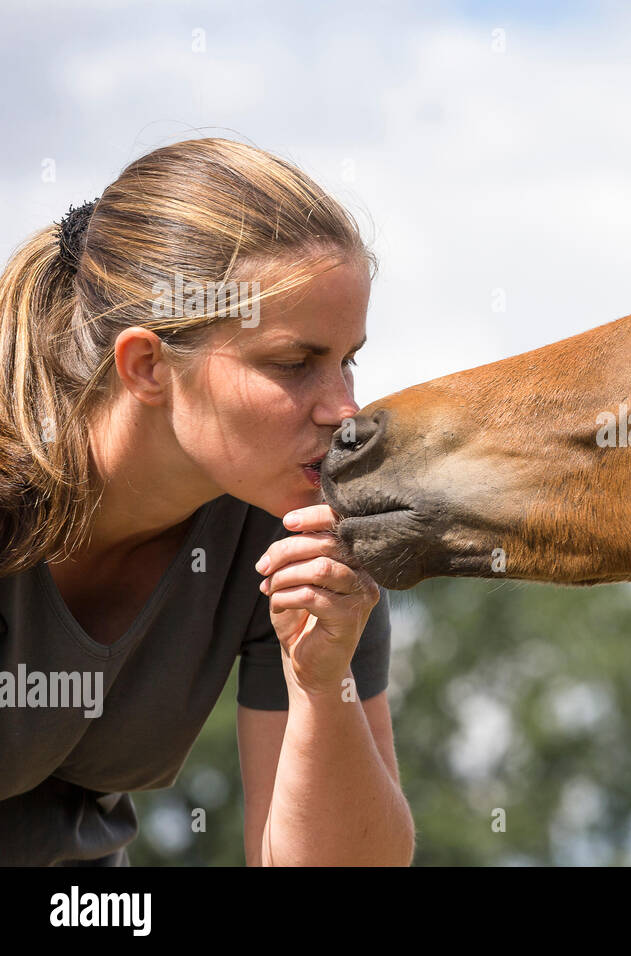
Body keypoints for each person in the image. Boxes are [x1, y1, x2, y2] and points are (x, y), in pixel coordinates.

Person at [0, 137, 414, 865]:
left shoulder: (302, 540)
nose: (346, 411)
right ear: (148, 365)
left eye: (348, 359)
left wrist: (322, 683)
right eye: (295, 363)